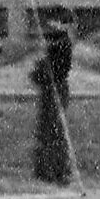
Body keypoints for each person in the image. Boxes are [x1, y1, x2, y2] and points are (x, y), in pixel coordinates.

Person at [31, 13, 76, 185]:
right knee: (46, 130)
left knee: (56, 130)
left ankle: (59, 171)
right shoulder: (54, 42)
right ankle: (45, 171)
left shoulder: (63, 43)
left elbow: (57, 69)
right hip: (50, 90)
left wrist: (43, 66)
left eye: (54, 23)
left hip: (56, 90)